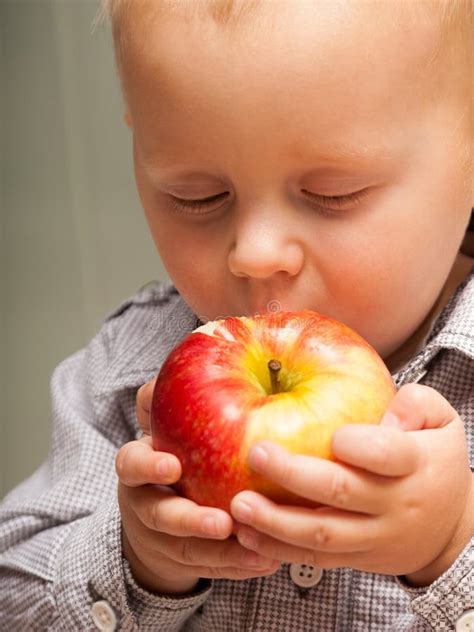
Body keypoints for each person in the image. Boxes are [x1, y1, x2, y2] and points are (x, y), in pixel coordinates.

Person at [1, 0, 472, 629]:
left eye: (333, 194)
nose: (254, 253)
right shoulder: (127, 378)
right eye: (197, 197)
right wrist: (137, 560)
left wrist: (450, 546)